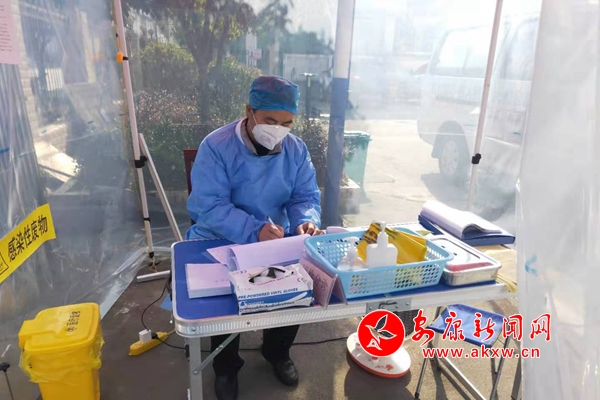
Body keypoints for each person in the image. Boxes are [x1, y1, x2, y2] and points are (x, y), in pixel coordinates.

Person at [186, 76, 323, 400]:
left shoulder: (296, 150)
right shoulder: (216, 146)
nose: (278, 130)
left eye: (286, 123)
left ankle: (277, 352)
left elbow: (304, 196)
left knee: (294, 290)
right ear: (249, 111)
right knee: (227, 302)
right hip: (222, 237)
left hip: (275, 237)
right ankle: (226, 366)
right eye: (270, 121)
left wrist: (306, 221)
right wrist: (252, 230)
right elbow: (209, 205)